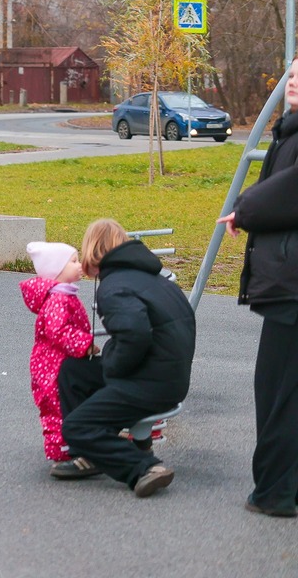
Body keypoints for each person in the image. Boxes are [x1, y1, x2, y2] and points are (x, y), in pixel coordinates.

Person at [50, 219, 196, 499]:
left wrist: (113, 369)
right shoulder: (154, 277)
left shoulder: (114, 285)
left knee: (76, 427)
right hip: (167, 376)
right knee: (74, 369)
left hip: (150, 383)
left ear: (93, 250)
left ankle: (145, 468)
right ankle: (95, 456)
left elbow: (135, 334)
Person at [216, 56, 298, 518]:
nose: (294, 81)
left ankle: (274, 493)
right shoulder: (290, 131)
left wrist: (245, 209)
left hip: (292, 286)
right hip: (288, 282)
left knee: (278, 394)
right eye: (292, 73)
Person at [20, 242, 96, 464]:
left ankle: (68, 446)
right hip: (52, 366)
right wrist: (85, 343)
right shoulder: (58, 300)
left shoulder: (63, 295)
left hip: (56, 363)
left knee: (64, 405)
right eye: (73, 261)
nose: (79, 265)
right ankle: (61, 449)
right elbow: (58, 331)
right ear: (57, 270)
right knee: (56, 407)